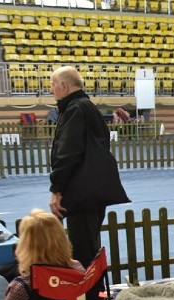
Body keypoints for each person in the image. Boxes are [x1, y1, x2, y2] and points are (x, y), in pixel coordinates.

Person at [48, 65, 129, 268]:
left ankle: (90, 299)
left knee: (83, 255)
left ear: (64, 86)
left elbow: (67, 154)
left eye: (52, 85)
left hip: (81, 194)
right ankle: (94, 297)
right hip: (92, 193)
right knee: (90, 249)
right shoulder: (87, 107)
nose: (50, 90)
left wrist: (56, 190)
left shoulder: (75, 109)